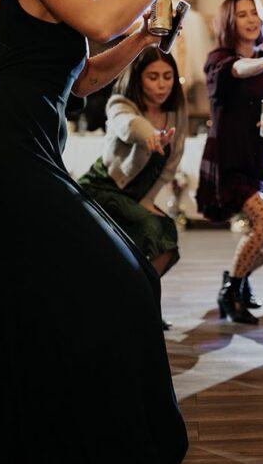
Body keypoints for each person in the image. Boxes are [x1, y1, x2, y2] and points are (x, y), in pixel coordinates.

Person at [0, 0, 199, 464]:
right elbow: (95, 21)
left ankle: (62, 434)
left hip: (34, 151)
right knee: (117, 279)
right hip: (7, 157)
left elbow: (84, 77)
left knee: (82, 289)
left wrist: (141, 42)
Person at [196, 0, 263, 325]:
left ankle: (235, 279)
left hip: (258, 159)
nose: (251, 20)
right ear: (228, 21)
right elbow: (238, 69)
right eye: (242, 14)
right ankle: (231, 292)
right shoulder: (218, 59)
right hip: (228, 158)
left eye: (255, 13)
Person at [79, 48, 187, 328]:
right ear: (139, 79)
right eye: (153, 77)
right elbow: (127, 125)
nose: (162, 84)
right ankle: (135, 304)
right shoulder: (119, 103)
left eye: (167, 76)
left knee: (167, 241)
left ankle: (135, 302)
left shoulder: (176, 112)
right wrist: (150, 135)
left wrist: (148, 199)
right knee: (159, 231)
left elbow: (171, 166)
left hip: (138, 196)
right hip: (104, 189)